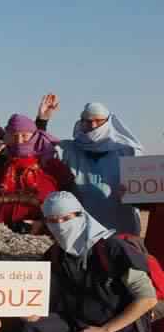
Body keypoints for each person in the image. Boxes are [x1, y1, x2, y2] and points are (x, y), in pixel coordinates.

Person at [20, 191, 160, 332]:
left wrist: (104, 330)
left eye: (66, 218)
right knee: (34, 329)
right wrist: (36, 311)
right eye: (52, 221)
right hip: (77, 326)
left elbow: (147, 298)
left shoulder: (112, 249)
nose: (60, 226)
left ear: (81, 215)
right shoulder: (55, 254)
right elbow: (51, 295)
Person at [46, 99, 144, 235]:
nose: (93, 125)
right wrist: (42, 120)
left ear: (108, 122)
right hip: (82, 229)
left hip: (122, 227)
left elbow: (143, 192)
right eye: (87, 121)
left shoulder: (128, 151)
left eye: (99, 121)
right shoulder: (67, 150)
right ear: (81, 122)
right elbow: (36, 150)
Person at [0, 114, 74, 233]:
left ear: (34, 136)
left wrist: (43, 224)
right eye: (14, 136)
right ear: (7, 137)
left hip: (39, 235)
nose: (19, 141)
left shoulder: (51, 165)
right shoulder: (0, 161)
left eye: (24, 135)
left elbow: (70, 203)